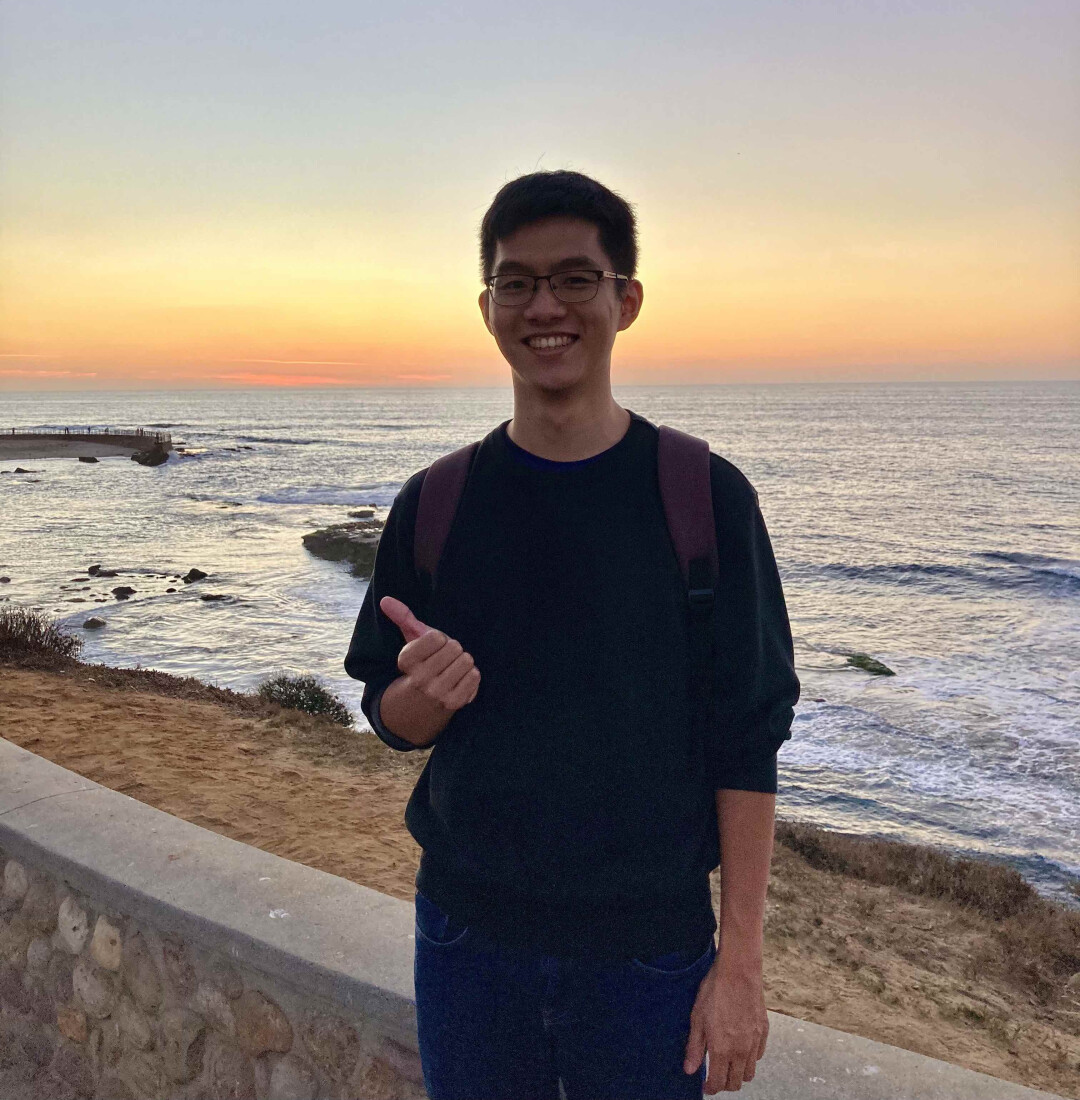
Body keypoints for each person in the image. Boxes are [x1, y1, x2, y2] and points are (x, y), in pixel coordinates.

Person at [344, 170, 800, 1099]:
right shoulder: (436, 501)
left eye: (575, 279)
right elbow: (386, 715)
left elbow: (747, 736)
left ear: (625, 300)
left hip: (649, 957)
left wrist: (742, 966)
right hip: (466, 941)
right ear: (487, 308)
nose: (544, 306)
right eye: (517, 282)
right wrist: (422, 700)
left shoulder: (704, 497)